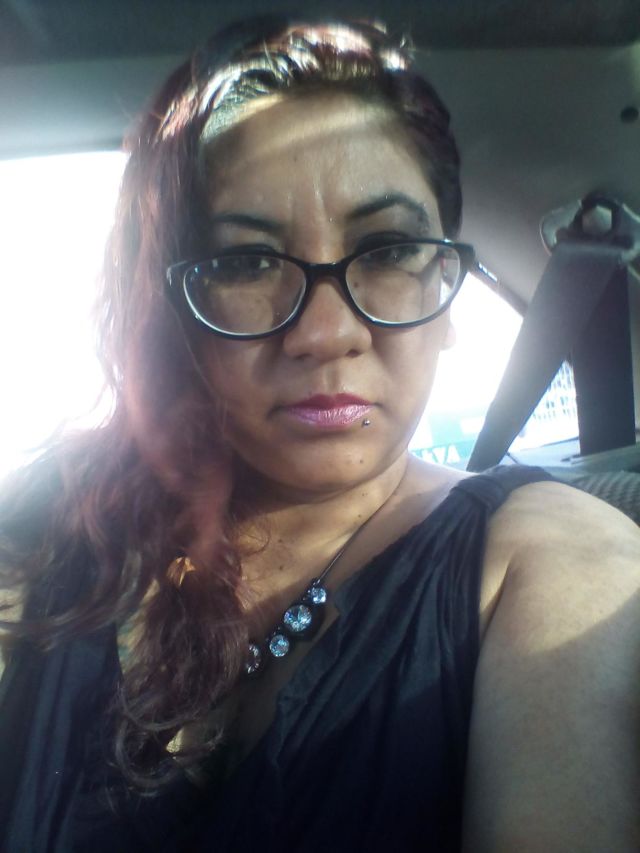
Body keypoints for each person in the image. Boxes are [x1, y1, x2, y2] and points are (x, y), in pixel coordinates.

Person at [1, 16, 639, 853]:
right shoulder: (58, 521)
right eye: (245, 261)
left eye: (389, 249)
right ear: (177, 311)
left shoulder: (555, 564)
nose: (325, 333)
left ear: (444, 292)